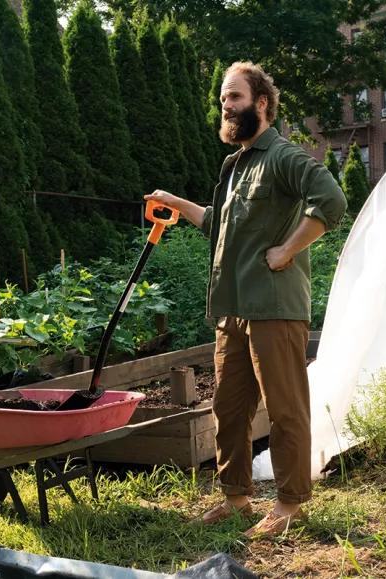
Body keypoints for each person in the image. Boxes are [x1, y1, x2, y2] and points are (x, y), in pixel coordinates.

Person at [144, 61, 347, 538]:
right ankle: (236, 498)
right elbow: (219, 224)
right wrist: (175, 203)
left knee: (285, 409)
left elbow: (332, 201)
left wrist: (287, 250)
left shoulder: (281, 156)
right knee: (229, 409)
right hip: (232, 308)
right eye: (222, 99)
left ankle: (291, 504)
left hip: (273, 309)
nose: (226, 106)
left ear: (261, 102)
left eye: (234, 97)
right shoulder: (236, 165)